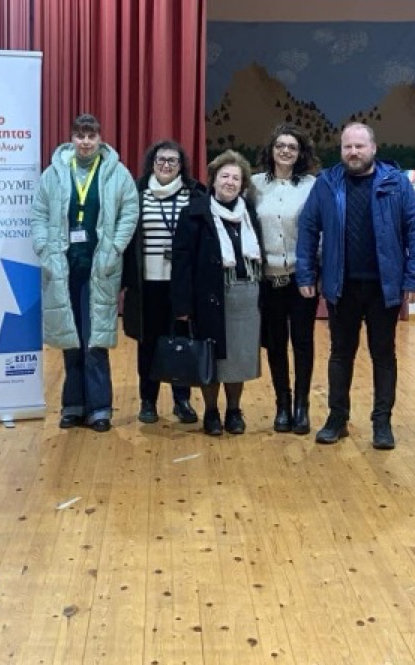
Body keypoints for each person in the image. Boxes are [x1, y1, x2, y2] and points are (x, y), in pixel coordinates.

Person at [297, 122, 415, 450]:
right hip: (342, 286)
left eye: (359, 146)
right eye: (347, 147)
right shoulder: (327, 183)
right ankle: (337, 418)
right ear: (341, 149)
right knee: (340, 354)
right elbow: (309, 228)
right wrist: (306, 274)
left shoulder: (396, 183)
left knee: (383, 354)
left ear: (373, 148)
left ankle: (382, 422)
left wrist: (414, 278)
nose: (353, 152)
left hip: (384, 287)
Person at [30, 113, 137, 432]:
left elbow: (130, 212)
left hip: (99, 269)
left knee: (95, 340)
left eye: (91, 136)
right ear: (72, 138)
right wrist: (43, 247)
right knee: (71, 338)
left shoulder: (117, 173)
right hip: (65, 269)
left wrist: (115, 247)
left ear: (100, 138)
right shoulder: (54, 173)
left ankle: (100, 408)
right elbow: (39, 213)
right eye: (80, 135)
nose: (86, 142)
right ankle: (73, 406)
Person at [171, 151, 265, 437]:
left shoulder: (249, 213)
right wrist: (183, 305)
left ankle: (234, 410)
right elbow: (182, 262)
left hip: (246, 296)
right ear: (213, 180)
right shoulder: (194, 212)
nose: (230, 182)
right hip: (209, 297)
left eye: (236, 178)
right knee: (211, 358)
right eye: (225, 176)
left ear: (243, 183)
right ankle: (211, 412)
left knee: (239, 358)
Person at [122, 140, 201, 426]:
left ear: (181, 165)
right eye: (160, 160)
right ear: (152, 164)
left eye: (172, 161)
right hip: (147, 285)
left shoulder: (194, 193)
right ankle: (148, 401)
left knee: (182, 341)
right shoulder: (136, 193)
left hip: (181, 285)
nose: (166, 165)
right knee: (149, 344)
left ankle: (182, 400)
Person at [250, 123, 319, 433]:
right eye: (280, 145)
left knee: (303, 343)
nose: (286, 151)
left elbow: (319, 230)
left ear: (301, 153)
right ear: (271, 150)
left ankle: (302, 406)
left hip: (301, 279)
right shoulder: (254, 185)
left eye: (292, 146)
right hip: (268, 279)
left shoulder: (312, 186)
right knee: (275, 344)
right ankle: (282, 404)